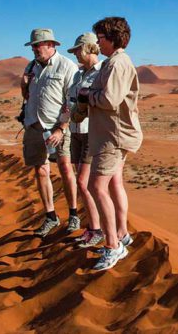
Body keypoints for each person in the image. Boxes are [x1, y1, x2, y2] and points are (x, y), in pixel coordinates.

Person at [78, 17, 142, 271]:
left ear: (112, 38)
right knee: (114, 182)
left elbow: (110, 99)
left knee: (96, 185)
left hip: (113, 137)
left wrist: (86, 95)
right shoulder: (112, 63)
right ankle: (122, 233)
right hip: (110, 134)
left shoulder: (117, 63)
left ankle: (113, 246)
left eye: (100, 38)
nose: (97, 43)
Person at [20, 28, 78, 237]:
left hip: (58, 126)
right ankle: (50, 216)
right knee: (40, 170)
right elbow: (27, 96)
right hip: (34, 125)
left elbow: (73, 101)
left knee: (65, 167)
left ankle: (73, 214)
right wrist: (23, 85)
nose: (35, 49)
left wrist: (62, 128)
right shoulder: (31, 67)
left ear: (51, 45)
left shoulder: (67, 66)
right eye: (33, 46)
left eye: (38, 45)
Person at [59, 32, 105, 249]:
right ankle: (92, 227)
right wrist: (63, 123)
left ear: (88, 48)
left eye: (77, 49)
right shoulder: (78, 75)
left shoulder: (102, 72)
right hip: (75, 131)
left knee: (83, 183)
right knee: (82, 182)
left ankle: (98, 229)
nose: (75, 53)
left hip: (91, 133)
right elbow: (70, 102)